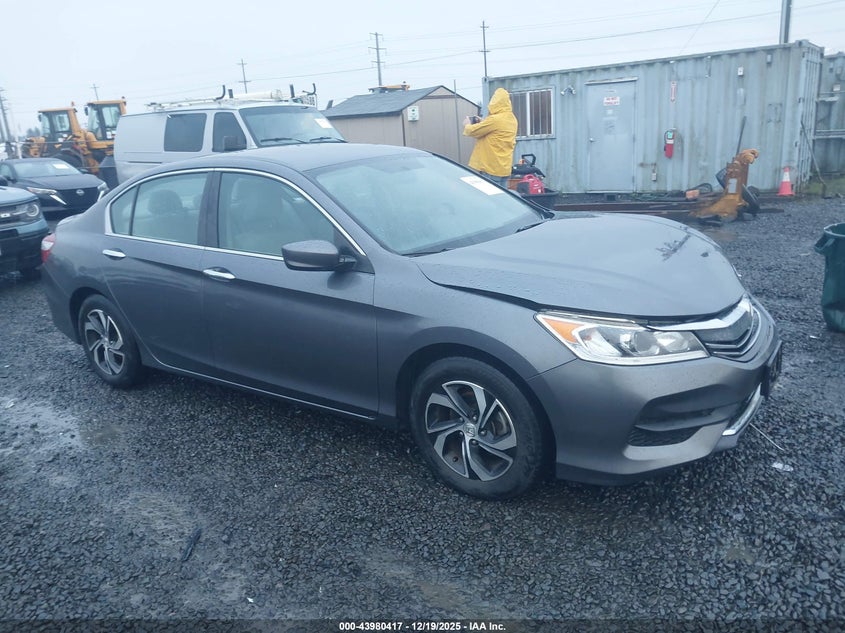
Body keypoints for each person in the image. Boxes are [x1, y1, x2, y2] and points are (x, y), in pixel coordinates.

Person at [462, 88, 518, 187]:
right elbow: (495, 130)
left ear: (495, 102)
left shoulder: (495, 120)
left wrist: (467, 124)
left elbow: (473, 131)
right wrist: (483, 122)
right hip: (504, 168)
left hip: (491, 168)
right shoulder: (512, 118)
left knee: (490, 195)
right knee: (501, 195)